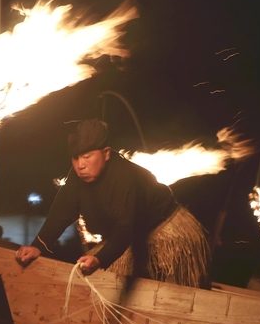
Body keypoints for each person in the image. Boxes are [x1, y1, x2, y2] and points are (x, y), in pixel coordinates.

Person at [15, 119, 211, 288]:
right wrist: (37, 246)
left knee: (172, 292)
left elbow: (125, 227)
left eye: (87, 156)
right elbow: (61, 212)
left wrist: (100, 259)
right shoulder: (77, 177)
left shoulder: (123, 177)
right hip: (127, 236)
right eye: (75, 158)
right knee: (97, 284)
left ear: (106, 153)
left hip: (164, 228)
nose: (80, 164)